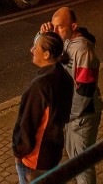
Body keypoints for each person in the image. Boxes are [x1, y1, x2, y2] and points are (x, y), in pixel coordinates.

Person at [40, 7, 103, 184]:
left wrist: (68, 115)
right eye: (53, 26)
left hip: (82, 117)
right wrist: (43, 36)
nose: (55, 31)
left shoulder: (83, 51)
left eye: (59, 27)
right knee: (75, 161)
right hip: (72, 116)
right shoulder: (66, 42)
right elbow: (41, 56)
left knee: (82, 165)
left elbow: (85, 91)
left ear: (73, 26)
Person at [13, 31, 74, 184]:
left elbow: (27, 125)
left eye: (35, 47)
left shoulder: (40, 86)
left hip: (35, 158)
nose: (31, 50)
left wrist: (19, 152)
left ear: (46, 54)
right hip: (52, 152)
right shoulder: (64, 77)